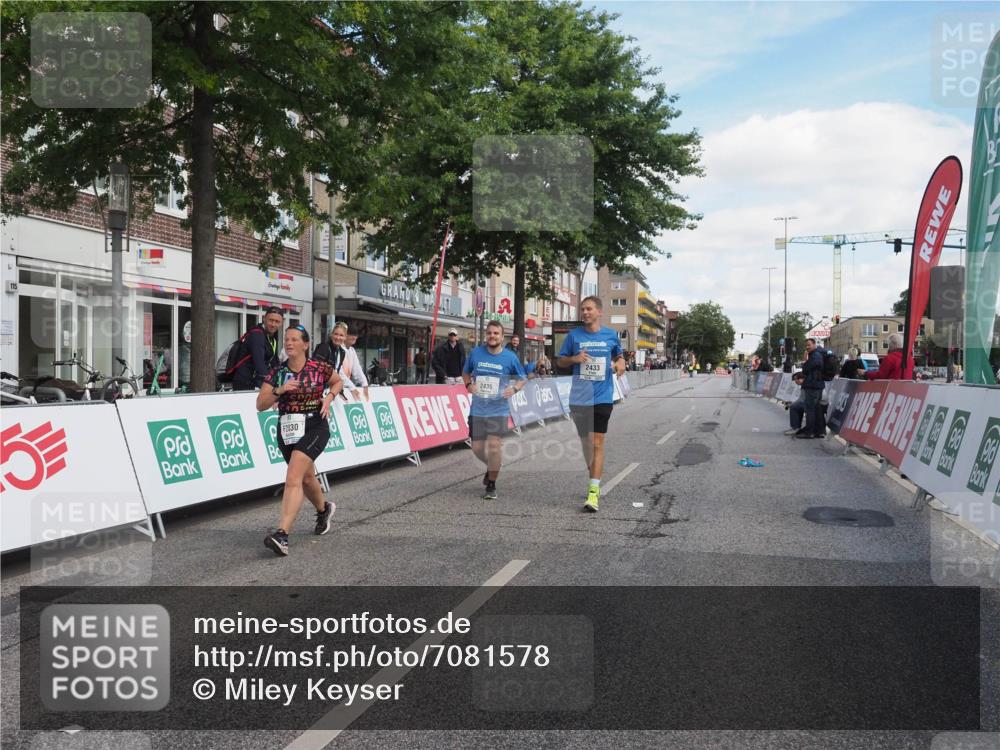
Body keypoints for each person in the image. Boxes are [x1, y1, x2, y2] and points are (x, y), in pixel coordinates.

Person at [257, 324, 343, 556]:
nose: (289, 343)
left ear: (305, 344)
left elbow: (337, 381)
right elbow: (260, 404)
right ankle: (324, 510)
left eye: (295, 339)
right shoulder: (277, 372)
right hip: (287, 428)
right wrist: (280, 390)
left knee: (293, 476)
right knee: (305, 477)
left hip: (315, 425)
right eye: (287, 339)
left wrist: (329, 398)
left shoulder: (319, 367)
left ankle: (282, 535)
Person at [556, 296, 626, 512]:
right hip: (579, 398)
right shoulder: (573, 336)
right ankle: (593, 476)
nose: (585, 312)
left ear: (599, 312)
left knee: (597, 442)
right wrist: (574, 359)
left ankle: (593, 492)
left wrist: (621, 363)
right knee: (587, 444)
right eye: (582, 309)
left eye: (589, 309)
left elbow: (620, 356)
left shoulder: (611, 335)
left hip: (602, 397)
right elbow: (560, 361)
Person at [462, 320, 527, 501]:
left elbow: (522, 378)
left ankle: (491, 483)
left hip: (498, 410)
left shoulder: (510, 357)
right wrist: (468, 385)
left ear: (502, 336)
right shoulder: (476, 353)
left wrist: (514, 389)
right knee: (477, 448)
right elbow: (465, 372)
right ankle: (493, 467)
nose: (492, 336)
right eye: (489, 333)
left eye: (496, 333)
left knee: (494, 446)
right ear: (486, 335)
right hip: (478, 409)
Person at [233, 307, 284, 391]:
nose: (273, 324)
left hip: (254, 382)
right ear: (264, 318)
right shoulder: (257, 335)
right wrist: (271, 384)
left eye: (277, 321)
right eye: (271, 320)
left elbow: (274, 362)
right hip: (246, 384)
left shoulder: (271, 337)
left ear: (282, 323)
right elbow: (260, 364)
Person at [313, 322, 368, 396]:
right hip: (317, 391)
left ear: (344, 337)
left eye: (341, 335)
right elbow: (315, 370)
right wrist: (350, 387)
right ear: (332, 334)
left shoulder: (342, 352)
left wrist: (364, 384)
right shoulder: (324, 348)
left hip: (329, 391)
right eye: (336, 334)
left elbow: (339, 372)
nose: (338, 337)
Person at [796, 337, 826, 439]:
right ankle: (819, 431)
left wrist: (805, 361)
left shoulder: (815, 355)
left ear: (814, 344)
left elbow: (806, 369)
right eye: (806, 345)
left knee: (810, 409)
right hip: (817, 385)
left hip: (813, 385)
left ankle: (809, 432)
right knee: (817, 409)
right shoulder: (817, 354)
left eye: (809, 345)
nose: (807, 347)